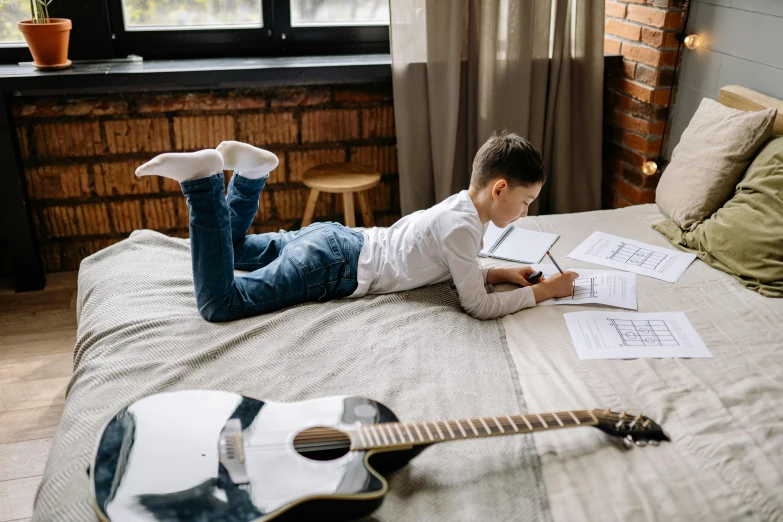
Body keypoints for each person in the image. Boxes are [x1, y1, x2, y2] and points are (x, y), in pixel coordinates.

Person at [135, 133, 578, 322]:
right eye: (525, 202)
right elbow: (478, 308)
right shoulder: (463, 230)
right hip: (335, 265)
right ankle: (204, 185)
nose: (524, 213)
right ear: (499, 189)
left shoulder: (460, 209)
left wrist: (498, 273)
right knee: (221, 303)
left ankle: (251, 174)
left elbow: (445, 267)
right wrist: (543, 292)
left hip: (338, 238)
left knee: (232, 249)